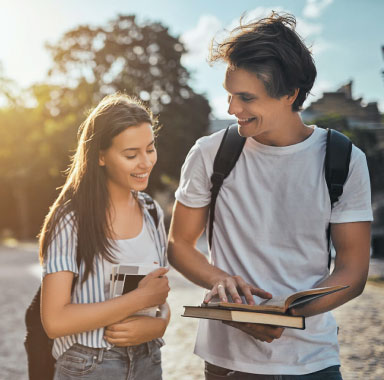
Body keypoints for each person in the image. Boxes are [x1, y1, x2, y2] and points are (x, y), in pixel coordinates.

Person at [168, 13, 372, 380]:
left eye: (246, 98)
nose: (232, 109)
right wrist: (220, 281)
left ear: (290, 94)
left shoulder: (343, 160)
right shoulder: (210, 153)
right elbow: (179, 244)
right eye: (230, 95)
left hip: (314, 363)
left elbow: (353, 272)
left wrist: (291, 312)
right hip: (228, 363)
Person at [40, 93, 170, 380]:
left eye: (150, 149)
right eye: (131, 155)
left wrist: (159, 325)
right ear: (100, 155)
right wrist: (137, 301)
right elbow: (54, 320)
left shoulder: (152, 212)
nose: (145, 163)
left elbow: (158, 298)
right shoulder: (71, 220)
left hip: (148, 360)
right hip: (89, 365)